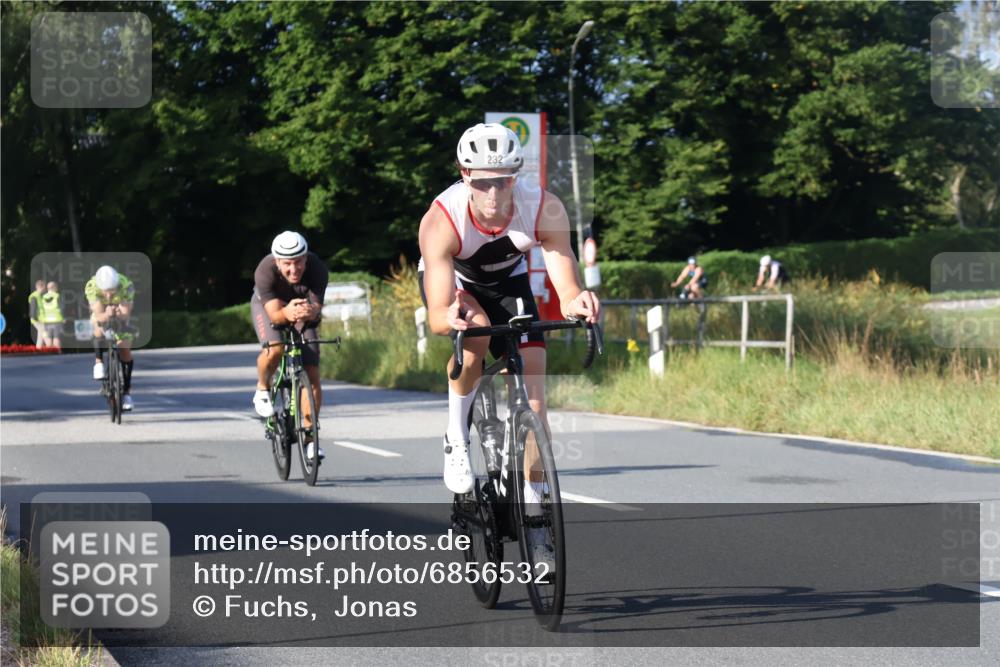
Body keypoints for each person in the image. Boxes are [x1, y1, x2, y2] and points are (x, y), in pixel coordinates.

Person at [417, 123, 600, 564]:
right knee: (474, 335)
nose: (494, 194)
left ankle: (536, 514)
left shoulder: (544, 208)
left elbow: (565, 279)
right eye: (482, 183)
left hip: (510, 284)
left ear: (516, 176)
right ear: (464, 175)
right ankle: (457, 436)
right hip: (459, 288)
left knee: (536, 400)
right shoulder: (441, 218)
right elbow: (440, 313)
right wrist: (449, 319)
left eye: (502, 181)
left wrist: (577, 301)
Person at [251, 231, 328, 461]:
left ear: (306, 259)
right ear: (277, 262)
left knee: (312, 372)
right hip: (270, 308)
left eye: (298, 263)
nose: (294, 270)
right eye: (287, 264)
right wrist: (287, 312)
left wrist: (311, 310)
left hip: (301, 309)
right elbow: (275, 316)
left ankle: (310, 441)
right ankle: (263, 387)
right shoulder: (264, 271)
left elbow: (316, 310)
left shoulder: (317, 269)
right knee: (275, 348)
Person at [86, 266, 136, 411]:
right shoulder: (92, 286)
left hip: (120, 315)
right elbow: (98, 315)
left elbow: (126, 314)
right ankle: (98, 361)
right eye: (105, 292)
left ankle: (126, 393)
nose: (108, 296)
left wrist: (117, 314)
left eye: (112, 291)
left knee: (124, 350)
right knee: (97, 325)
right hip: (102, 314)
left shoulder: (126, 285)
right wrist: (107, 315)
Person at [38, 281, 65, 350]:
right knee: (56, 337)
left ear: (48, 288)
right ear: (55, 288)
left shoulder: (43, 297)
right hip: (57, 320)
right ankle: (58, 353)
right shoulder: (57, 296)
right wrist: (63, 318)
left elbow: (41, 309)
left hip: (47, 321)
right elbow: (62, 308)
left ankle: (50, 353)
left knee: (49, 338)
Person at [28, 279, 46, 348]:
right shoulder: (34, 296)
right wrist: (36, 318)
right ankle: (40, 348)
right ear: (40, 287)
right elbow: (33, 309)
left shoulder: (40, 295)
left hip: (40, 319)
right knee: (43, 333)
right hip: (37, 319)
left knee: (41, 334)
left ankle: (40, 348)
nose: (45, 289)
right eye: (44, 287)